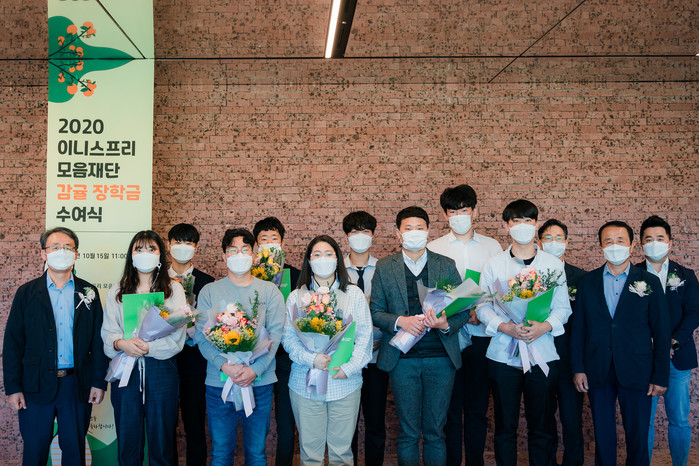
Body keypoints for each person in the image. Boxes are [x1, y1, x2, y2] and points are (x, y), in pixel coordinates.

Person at [476, 200, 571, 466]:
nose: (523, 226)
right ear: (506, 226)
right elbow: (482, 305)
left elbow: (563, 308)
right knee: (505, 426)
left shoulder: (552, 265)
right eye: (516, 221)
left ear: (536, 224)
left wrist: (544, 326)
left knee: (541, 425)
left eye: (528, 221)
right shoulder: (493, 264)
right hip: (503, 355)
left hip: (542, 352)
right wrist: (504, 326)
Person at [3, 227, 108, 466]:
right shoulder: (26, 293)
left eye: (68, 247)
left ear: (76, 254)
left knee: (74, 453)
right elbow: (13, 344)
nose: (62, 251)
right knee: (34, 452)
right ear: (44, 253)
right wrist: (13, 387)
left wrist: (98, 382)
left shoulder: (88, 292)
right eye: (55, 247)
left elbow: (98, 341)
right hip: (35, 384)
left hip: (76, 384)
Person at [370, 206, 466, 466]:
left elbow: (463, 311)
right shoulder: (385, 267)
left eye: (420, 228)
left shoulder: (445, 264)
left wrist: (444, 324)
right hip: (402, 360)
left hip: (441, 359)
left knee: (435, 432)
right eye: (408, 228)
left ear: (428, 231)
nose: (414, 233)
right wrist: (401, 321)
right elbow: (375, 312)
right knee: (408, 433)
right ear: (398, 233)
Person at [570, 220, 670, 466]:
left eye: (620, 241)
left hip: (638, 368)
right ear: (601, 247)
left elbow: (661, 331)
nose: (614, 246)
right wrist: (578, 368)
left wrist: (660, 375)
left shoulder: (649, 281)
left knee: (638, 434)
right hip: (597, 366)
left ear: (632, 245)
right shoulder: (587, 282)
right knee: (603, 432)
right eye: (608, 242)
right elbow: (579, 328)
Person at [195, 228, 286, 466]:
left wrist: (256, 369)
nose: (239, 254)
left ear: (253, 255)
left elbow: (276, 335)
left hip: (259, 383)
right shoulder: (209, 291)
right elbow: (202, 337)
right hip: (219, 384)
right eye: (233, 250)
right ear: (224, 256)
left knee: (256, 454)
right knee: (220, 454)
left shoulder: (270, 291)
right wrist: (224, 366)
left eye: (245, 249)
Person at [426, 184, 502, 466]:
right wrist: (453, 315)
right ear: (445, 215)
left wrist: (481, 312)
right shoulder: (433, 248)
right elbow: (429, 293)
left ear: (475, 211)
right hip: (446, 338)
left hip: (482, 335)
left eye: (464, 210)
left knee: (477, 410)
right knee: (449, 410)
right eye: (453, 211)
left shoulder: (493, 247)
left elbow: (500, 289)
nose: (459, 216)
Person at [283, 235, 373, 466]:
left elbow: (364, 336)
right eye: (317, 254)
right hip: (305, 383)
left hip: (344, 383)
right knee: (310, 455)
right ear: (309, 261)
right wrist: (312, 359)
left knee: (341, 454)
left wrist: (348, 368)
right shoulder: (296, 297)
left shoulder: (353, 294)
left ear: (337, 259)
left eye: (328, 254)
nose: (323, 259)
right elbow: (289, 339)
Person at [102, 230, 188, 466]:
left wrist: (149, 347)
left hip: (162, 371)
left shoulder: (173, 289)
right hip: (125, 371)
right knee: (128, 441)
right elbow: (108, 333)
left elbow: (178, 337)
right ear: (131, 255)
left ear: (160, 255)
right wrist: (121, 344)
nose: (145, 253)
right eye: (139, 249)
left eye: (152, 249)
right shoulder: (117, 291)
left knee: (162, 442)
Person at [638, 215, 699, 466]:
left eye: (660, 238)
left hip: (678, 356)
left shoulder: (686, 275)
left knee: (679, 419)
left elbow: (694, 313)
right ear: (641, 244)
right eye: (649, 239)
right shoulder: (633, 275)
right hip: (644, 358)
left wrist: (672, 342)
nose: (655, 243)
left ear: (670, 242)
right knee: (645, 420)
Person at [252, 216, 300, 466]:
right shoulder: (247, 275)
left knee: (286, 423)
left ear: (282, 243)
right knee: (254, 419)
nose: (270, 243)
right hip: (254, 358)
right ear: (256, 246)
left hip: (286, 359)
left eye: (274, 239)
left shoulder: (297, 275)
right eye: (264, 239)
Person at [538, 219, 586, 466]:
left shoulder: (581, 278)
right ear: (539, 243)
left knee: (571, 419)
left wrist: (581, 364)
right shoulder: (530, 276)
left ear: (566, 242)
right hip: (539, 355)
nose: (553, 242)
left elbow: (586, 323)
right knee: (543, 419)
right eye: (547, 238)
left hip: (570, 358)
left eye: (558, 238)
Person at [167, 223, 215, 466]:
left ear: (196, 248)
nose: (182, 247)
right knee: (165, 426)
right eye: (178, 242)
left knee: (195, 424)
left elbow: (212, 323)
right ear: (169, 245)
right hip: (165, 361)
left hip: (196, 362)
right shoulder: (157, 280)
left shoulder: (208, 282)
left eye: (188, 242)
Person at [342, 211, 387, 466]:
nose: (360, 236)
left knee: (375, 423)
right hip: (345, 360)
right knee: (346, 424)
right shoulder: (335, 271)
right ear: (347, 237)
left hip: (377, 358)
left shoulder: (386, 268)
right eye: (355, 232)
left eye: (366, 231)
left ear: (373, 236)